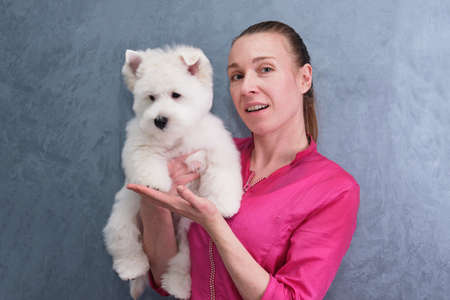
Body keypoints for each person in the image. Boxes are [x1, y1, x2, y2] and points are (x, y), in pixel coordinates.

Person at [127, 20, 360, 300]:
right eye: (236, 76)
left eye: (265, 69)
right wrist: (154, 201)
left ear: (304, 78)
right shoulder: (205, 153)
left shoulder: (333, 189)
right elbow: (166, 279)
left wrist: (214, 225)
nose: (247, 86)